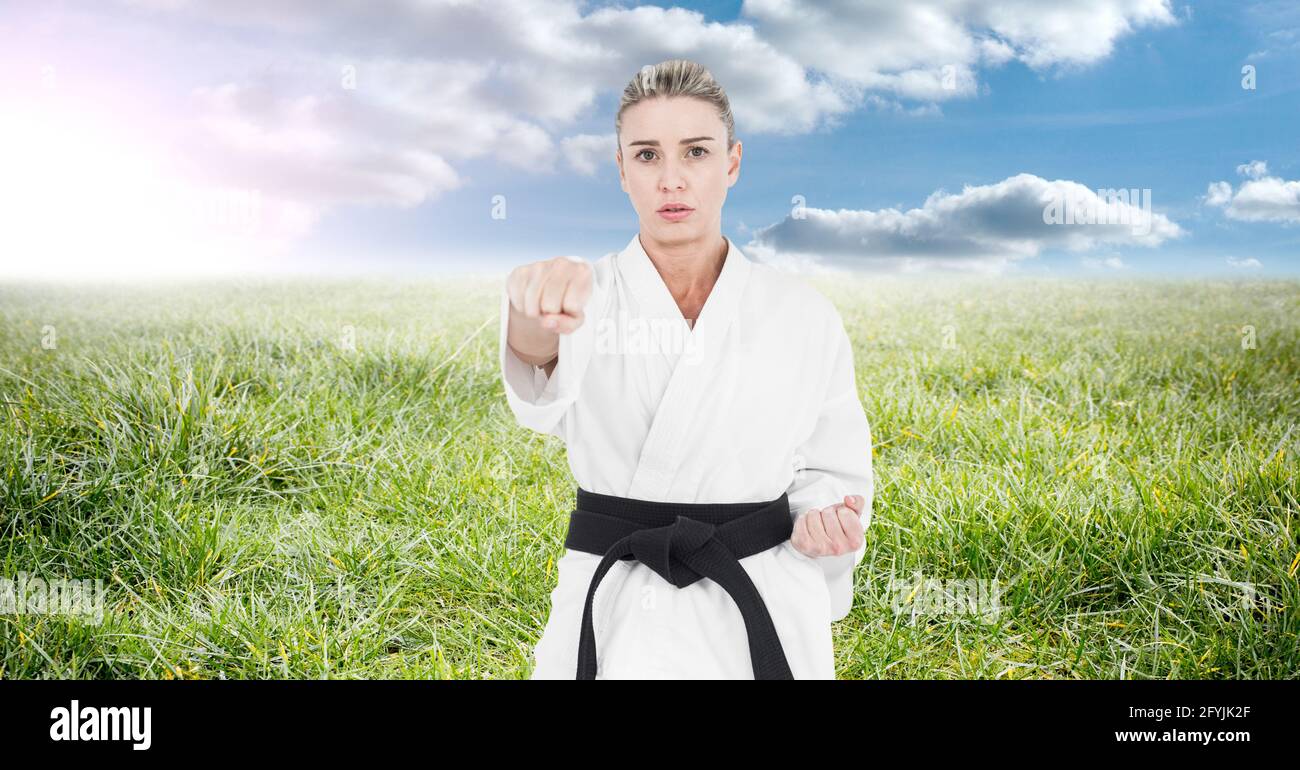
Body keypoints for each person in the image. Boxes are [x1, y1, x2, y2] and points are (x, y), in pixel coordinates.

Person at [499, 59, 873, 679]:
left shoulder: (802, 312)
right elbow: (538, 362)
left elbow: (831, 467)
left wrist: (822, 524)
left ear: (731, 162)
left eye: (695, 152)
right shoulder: (580, 293)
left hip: (759, 594)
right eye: (647, 156)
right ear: (621, 169)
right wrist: (531, 305)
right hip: (615, 592)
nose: (672, 180)